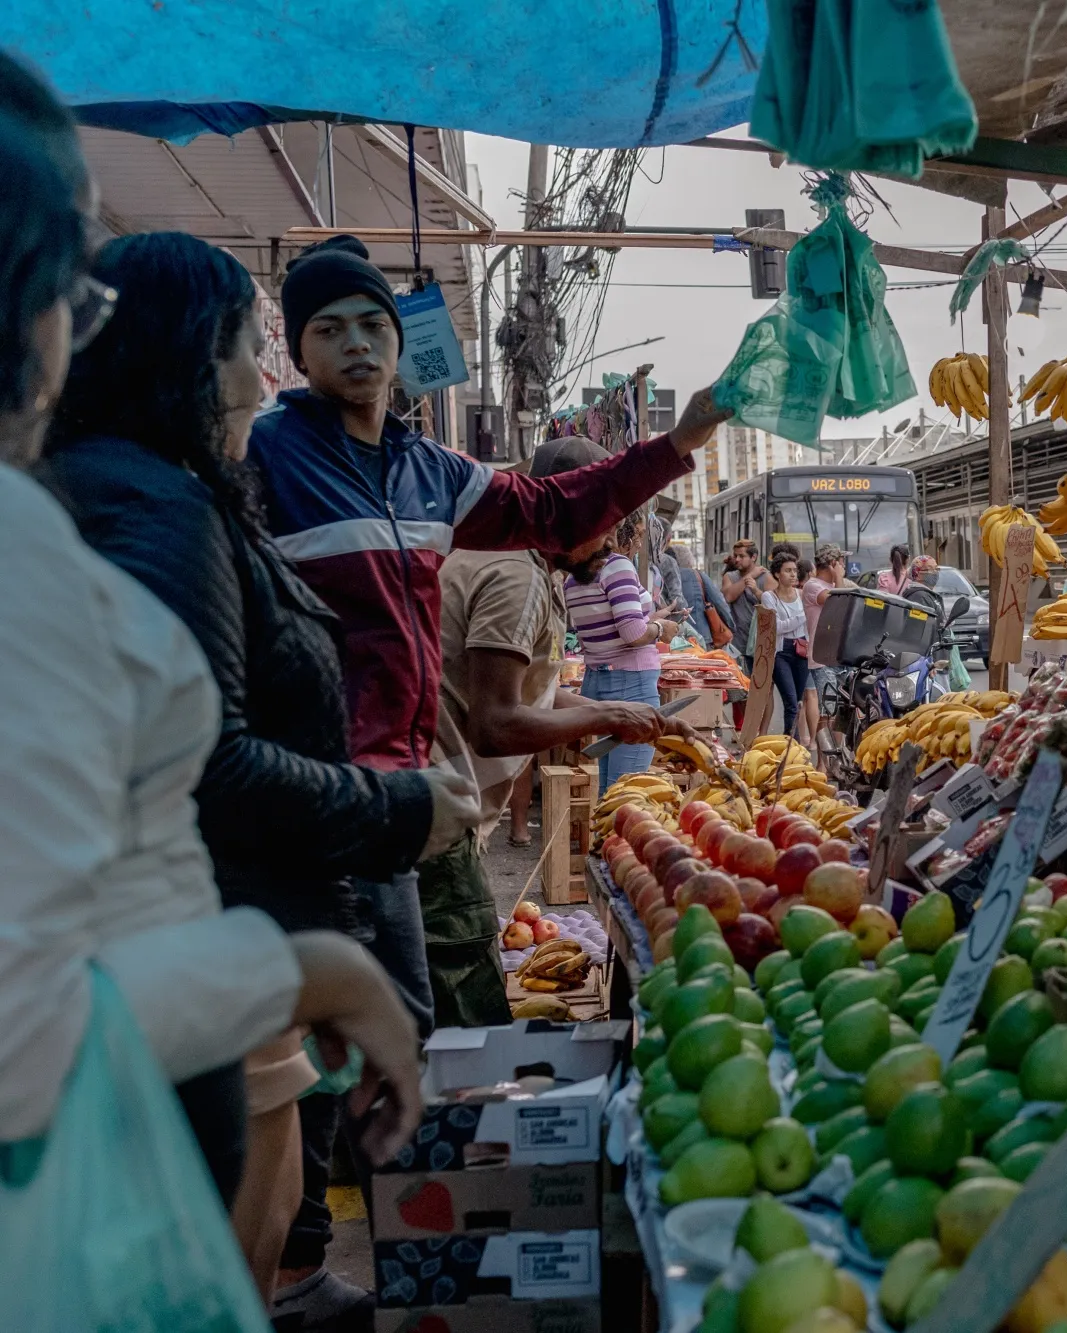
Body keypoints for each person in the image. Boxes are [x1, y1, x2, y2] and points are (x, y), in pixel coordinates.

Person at [0, 50, 422, 1318]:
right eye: (63, 276)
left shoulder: (74, 508)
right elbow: (24, 1036)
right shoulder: (101, 530)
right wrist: (300, 971)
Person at [249, 232, 726, 1321]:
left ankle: (376, 1263)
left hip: (412, 799)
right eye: (330, 329)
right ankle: (302, 1267)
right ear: (300, 347)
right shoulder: (265, 458)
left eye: (372, 324)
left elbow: (556, 510)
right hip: (317, 797)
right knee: (323, 1036)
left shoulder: (432, 471)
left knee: (397, 1032)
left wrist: (682, 439)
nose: (357, 345)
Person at [38, 229, 481, 1303]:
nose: (260, 380)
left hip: (205, 960)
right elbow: (203, 764)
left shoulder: (127, 490)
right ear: (187, 355)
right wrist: (394, 810)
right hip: (198, 965)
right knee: (210, 1267)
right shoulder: (156, 510)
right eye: (253, 347)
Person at [427, 438, 688, 1028]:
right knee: (469, 1010)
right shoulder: (516, 576)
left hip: (438, 803)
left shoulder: (518, 560)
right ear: (569, 509)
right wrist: (608, 716)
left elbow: (530, 695)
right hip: (436, 814)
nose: (609, 537)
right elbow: (496, 724)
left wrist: (616, 714)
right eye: (603, 518)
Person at [561, 510, 679, 793]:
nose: (639, 542)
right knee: (627, 790)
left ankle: (602, 838)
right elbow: (633, 633)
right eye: (637, 533)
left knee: (606, 789)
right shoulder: (617, 567)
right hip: (630, 684)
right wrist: (662, 629)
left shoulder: (574, 577)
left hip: (597, 681)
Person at [762, 552, 811, 738]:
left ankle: (790, 743)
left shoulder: (802, 594)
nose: (793, 575)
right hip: (781, 653)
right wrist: (803, 615)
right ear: (777, 574)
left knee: (798, 702)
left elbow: (808, 624)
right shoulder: (769, 597)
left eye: (795, 570)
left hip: (802, 650)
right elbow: (776, 628)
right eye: (788, 571)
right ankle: (792, 746)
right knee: (790, 701)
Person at [802, 543, 844, 749]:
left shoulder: (836, 587)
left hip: (840, 656)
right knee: (828, 710)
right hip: (822, 658)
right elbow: (838, 604)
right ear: (832, 564)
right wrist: (839, 579)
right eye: (841, 561)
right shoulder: (813, 586)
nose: (844, 566)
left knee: (841, 711)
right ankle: (823, 762)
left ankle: (837, 757)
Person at [671, 541, 730, 650]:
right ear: (689, 561)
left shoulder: (664, 575)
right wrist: (730, 626)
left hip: (673, 637)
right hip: (700, 636)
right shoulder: (697, 575)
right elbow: (719, 602)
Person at [721, 539, 769, 661]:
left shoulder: (766, 577)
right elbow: (728, 596)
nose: (737, 559)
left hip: (760, 642)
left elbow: (775, 605)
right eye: (735, 555)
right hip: (736, 643)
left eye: (742, 556)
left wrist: (757, 591)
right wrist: (751, 575)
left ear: (753, 557)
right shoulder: (730, 577)